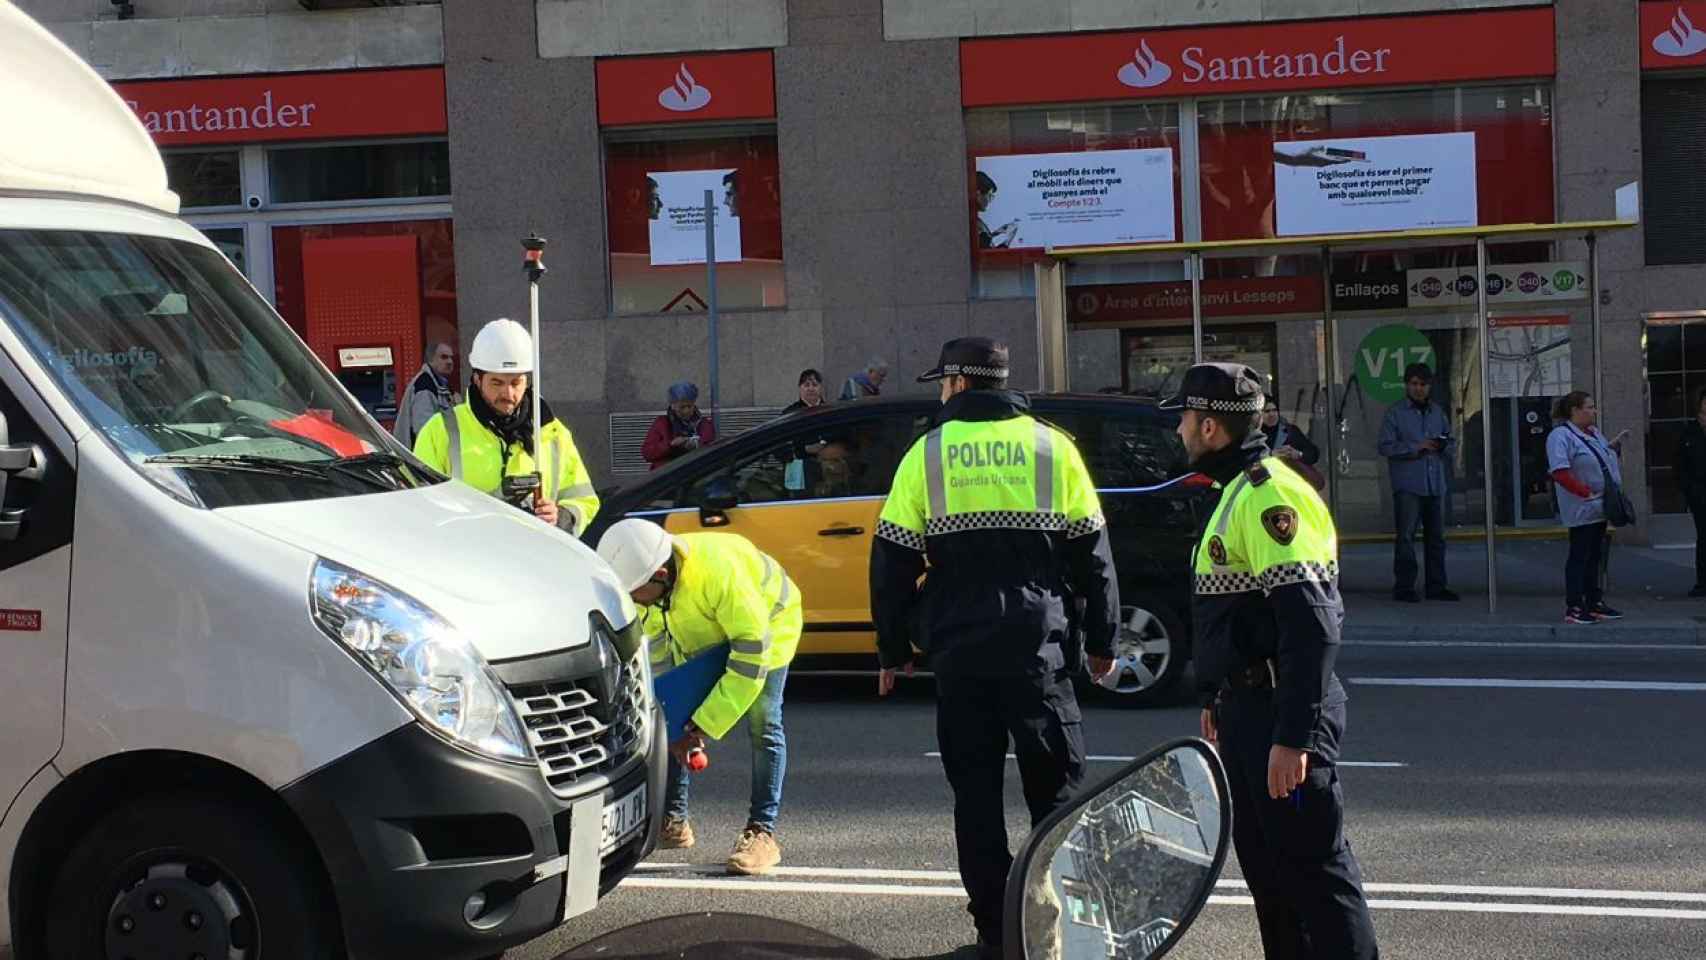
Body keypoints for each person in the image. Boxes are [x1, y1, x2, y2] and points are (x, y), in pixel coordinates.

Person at [870, 337, 1119, 960]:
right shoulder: (1052, 446)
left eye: (942, 383)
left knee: (976, 798)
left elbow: (891, 563)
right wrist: (1102, 640)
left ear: (957, 384)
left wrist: (892, 647)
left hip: (960, 651)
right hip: (1041, 650)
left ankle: (995, 929)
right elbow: (1094, 555)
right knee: (1057, 794)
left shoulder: (926, 454)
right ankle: (1053, 928)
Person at [1167, 362, 1380, 960]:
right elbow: (1239, 620)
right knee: (1271, 878)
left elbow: (1310, 627)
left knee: (1314, 873)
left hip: (1278, 713)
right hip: (1247, 709)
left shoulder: (1269, 495)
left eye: (1184, 418)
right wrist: (1217, 697)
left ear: (1210, 427)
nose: (1179, 430)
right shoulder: (1236, 492)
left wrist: (1293, 735)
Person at [596, 519, 800, 876]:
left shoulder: (720, 575)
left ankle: (762, 833)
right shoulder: (649, 587)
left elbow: (751, 658)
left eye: (633, 591)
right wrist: (676, 726)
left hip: (769, 627)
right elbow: (658, 656)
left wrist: (705, 723)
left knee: (763, 721)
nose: (630, 599)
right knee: (670, 716)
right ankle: (673, 822)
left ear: (661, 573)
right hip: (704, 631)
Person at [412, 318, 599, 533]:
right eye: (497, 383)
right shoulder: (440, 431)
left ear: (526, 382)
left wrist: (561, 516)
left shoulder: (553, 432)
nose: (508, 394)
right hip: (470, 560)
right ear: (477, 380)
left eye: (515, 383)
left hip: (538, 559)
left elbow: (585, 499)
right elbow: (420, 508)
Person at [1376, 362, 1459, 603]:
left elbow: (1452, 441)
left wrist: (1444, 445)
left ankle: (1436, 585)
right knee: (1406, 537)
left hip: (1435, 483)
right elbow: (1385, 446)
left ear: (1429, 386)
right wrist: (1416, 447)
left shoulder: (1437, 412)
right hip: (1408, 485)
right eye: (1414, 384)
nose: (1418, 389)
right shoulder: (1395, 413)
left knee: (1437, 538)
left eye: (1423, 384)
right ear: (1406, 385)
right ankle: (1404, 587)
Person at [1548, 391, 1630, 624]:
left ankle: (1594, 601)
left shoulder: (1593, 432)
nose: (1594, 411)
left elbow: (1601, 456)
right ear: (1575, 410)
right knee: (1580, 555)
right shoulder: (1560, 436)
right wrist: (1584, 492)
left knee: (1595, 556)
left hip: (1600, 505)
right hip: (1582, 506)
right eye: (1590, 407)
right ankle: (1574, 605)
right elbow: (1559, 471)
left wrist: (1614, 446)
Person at [391, 340, 456, 449]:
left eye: (451, 357)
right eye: (444, 357)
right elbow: (423, 429)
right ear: (431, 359)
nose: (450, 361)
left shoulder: (437, 383)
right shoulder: (425, 386)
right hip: (423, 457)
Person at [642, 382, 716, 470]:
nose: (686, 411)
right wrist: (670, 445)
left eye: (689, 406)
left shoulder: (704, 424)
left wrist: (696, 444)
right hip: (667, 474)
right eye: (682, 407)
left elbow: (712, 447)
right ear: (673, 406)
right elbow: (647, 453)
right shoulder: (662, 423)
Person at [1677, 388, 1706, 598]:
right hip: (1700, 493)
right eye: (1704, 412)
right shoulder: (1689, 432)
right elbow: (1679, 465)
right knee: (1704, 537)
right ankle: (1702, 583)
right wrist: (1689, 490)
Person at [1261, 397, 1323, 490]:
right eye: (1267, 411)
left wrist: (1298, 454)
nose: (1272, 414)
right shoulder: (1253, 435)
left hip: (1290, 486)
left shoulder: (1290, 431)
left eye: (1274, 410)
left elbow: (1313, 453)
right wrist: (1270, 455)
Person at [974, 171, 1019, 249]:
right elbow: (989, 254)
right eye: (989, 195)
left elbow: (986, 241)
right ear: (978, 194)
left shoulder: (975, 221)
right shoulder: (975, 223)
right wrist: (1008, 239)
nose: (990, 200)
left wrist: (998, 232)